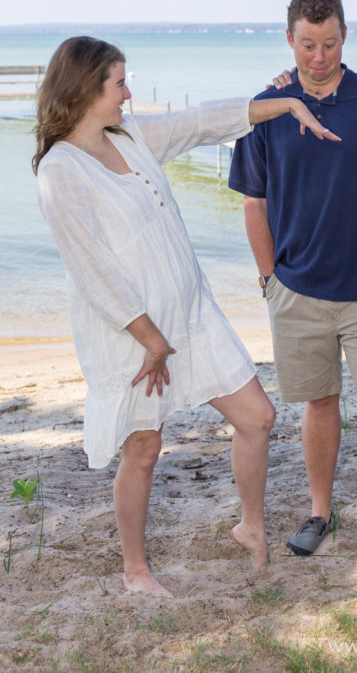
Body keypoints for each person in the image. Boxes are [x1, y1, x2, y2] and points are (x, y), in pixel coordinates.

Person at [33, 35, 339, 598]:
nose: (128, 94)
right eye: (119, 83)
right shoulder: (61, 169)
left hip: (192, 316)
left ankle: (249, 524)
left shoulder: (130, 135)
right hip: (132, 336)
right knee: (144, 449)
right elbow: (92, 266)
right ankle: (135, 570)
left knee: (257, 417)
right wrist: (150, 339)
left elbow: (202, 122)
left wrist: (287, 102)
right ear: (84, 90)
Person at [228, 0, 357, 574]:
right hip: (296, 291)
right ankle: (320, 511)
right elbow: (253, 203)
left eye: (329, 43)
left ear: (343, 38)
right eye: (307, 45)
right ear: (290, 39)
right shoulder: (265, 107)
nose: (318, 56)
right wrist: (269, 281)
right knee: (319, 403)